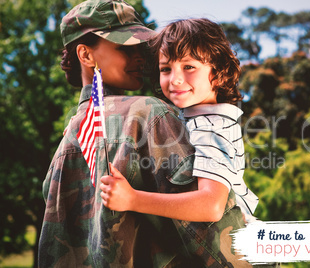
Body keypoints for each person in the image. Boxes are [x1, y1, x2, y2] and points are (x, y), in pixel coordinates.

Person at [39, 1, 254, 267]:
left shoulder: (68, 138)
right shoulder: (148, 113)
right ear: (86, 55)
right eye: (125, 48)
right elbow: (212, 232)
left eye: (142, 48)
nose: (140, 58)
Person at [100, 18, 259, 224]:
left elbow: (212, 206)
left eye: (189, 67)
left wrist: (132, 199)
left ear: (219, 74)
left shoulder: (214, 127)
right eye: (166, 69)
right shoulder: (190, 117)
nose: (175, 79)